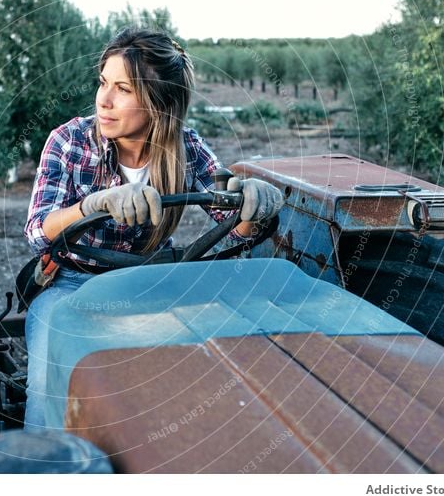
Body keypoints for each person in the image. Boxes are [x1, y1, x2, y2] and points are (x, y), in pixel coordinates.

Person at [22, 28, 284, 430]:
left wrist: (250, 204)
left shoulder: (187, 148)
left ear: (159, 104)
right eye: (103, 83)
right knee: (47, 382)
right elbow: (38, 230)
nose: (104, 100)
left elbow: (233, 228)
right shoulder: (69, 141)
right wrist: (93, 205)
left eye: (122, 89)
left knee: (200, 371)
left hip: (153, 281)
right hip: (72, 283)